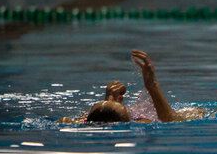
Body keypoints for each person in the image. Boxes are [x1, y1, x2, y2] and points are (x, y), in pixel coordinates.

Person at [59, 50, 201, 123]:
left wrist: (110, 102)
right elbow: (172, 123)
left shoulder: (72, 122)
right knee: (196, 112)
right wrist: (153, 87)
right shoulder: (141, 123)